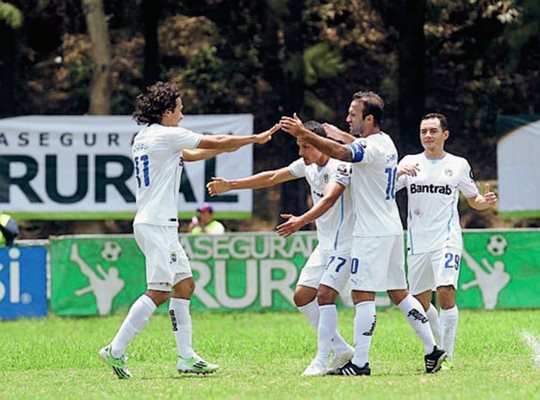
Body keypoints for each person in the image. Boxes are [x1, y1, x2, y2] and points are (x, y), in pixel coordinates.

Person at [99, 81, 279, 379]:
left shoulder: (143, 137)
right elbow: (215, 140)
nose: (182, 116)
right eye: (180, 110)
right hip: (156, 223)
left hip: (157, 223)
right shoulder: (167, 134)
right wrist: (254, 139)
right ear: (167, 112)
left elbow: (194, 154)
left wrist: (227, 147)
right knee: (158, 292)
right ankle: (115, 350)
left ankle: (186, 356)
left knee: (185, 285)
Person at [280, 91, 446, 376]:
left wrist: (308, 135)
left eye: (353, 115)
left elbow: (345, 153)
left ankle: (360, 362)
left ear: (368, 119)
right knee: (399, 292)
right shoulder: (386, 142)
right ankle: (433, 349)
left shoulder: (369, 148)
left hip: (371, 233)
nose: (347, 118)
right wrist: (336, 133)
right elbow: (353, 144)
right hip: (392, 227)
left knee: (362, 295)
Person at [207, 120, 354, 376]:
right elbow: (273, 176)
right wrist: (231, 185)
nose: (301, 152)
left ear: (320, 144)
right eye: (299, 146)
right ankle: (341, 348)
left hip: (347, 243)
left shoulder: (339, 165)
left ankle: (321, 360)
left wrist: (301, 220)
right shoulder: (307, 166)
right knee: (301, 296)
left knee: (325, 296)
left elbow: (330, 198)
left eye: (306, 146)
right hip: (326, 244)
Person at [395, 113, 498, 367]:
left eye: (432, 131)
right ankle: (438, 347)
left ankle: (448, 356)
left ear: (445, 135)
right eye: (423, 132)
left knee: (445, 290)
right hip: (417, 241)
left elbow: (473, 198)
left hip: (447, 238)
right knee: (420, 303)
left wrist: (483, 203)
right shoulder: (408, 162)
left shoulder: (458, 164)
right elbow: (384, 191)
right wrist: (395, 172)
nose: (427, 136)